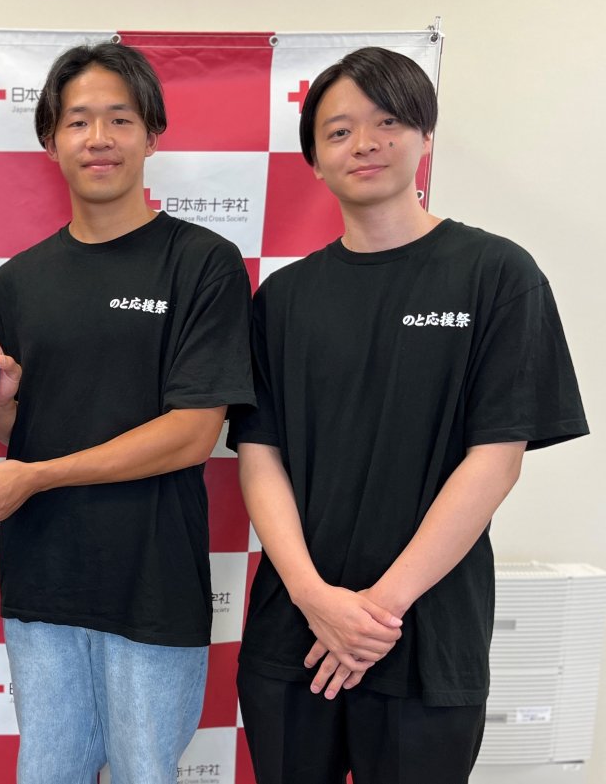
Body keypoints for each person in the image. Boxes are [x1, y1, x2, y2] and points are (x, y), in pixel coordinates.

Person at [228, 46, 588, 784]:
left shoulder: (497, 274)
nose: (365, 143)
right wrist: (315, 600)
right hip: (295, 632)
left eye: (388, 121)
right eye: (339, 131)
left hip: (428, 636)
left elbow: (497, 459)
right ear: (314, 162)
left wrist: (373, 616)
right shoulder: (283, 300)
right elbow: (259, 455)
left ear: (425, 134)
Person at [0, 42, 254, 783]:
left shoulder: (202, 263)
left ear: (152, 134)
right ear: (50, 140)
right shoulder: (17, 281)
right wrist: (3, 406)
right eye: (78, 121)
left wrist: (39, 474)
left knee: (148, 771)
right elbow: (24, 437)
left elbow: (192, 433)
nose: (99, 138)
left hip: (153, 579)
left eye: (120, 118)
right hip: (44, 578)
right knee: (47, 771)